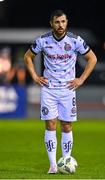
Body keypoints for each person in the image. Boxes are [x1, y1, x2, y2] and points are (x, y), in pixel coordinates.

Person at [24, 9, 97, 174]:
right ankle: (53, 165)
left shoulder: (75, 40)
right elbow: (27, 57)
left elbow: (92, 58)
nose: (60, 25)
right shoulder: (43, 41)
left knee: (67, 125)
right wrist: (35, 76)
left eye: (63, 21)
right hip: (49, 89)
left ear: (67, 22)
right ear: (51, 23)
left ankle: (66, 160)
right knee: (50, 125)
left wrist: (82, 79)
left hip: (68, 88)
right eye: (57, 22)